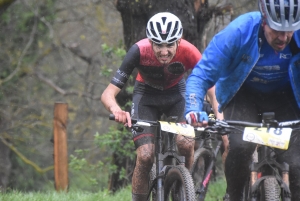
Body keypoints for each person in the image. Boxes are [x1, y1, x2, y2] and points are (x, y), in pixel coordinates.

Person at [185, 0, 300, 200]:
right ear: (264, 21)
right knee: (240, 147)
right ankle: (234, 195)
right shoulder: (240, 31)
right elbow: (202, 74)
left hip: (286, 96)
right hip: (244, 95)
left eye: (289, 30)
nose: (284, 37)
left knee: (296, 163)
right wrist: (193, 108)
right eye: (277, 30)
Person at [101, 12, 205, 201]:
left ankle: (184, 186)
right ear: (150, 41)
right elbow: (108, 94)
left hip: (177, 95)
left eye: (169, 45)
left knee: (186, 143)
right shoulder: (138, 51)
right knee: (146, 155)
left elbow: (210, 84)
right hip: (146, 96)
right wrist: (116, 110)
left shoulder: (189, 51)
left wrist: (215, 109)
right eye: (158, 44)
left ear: (179, 42)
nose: (164, 52)